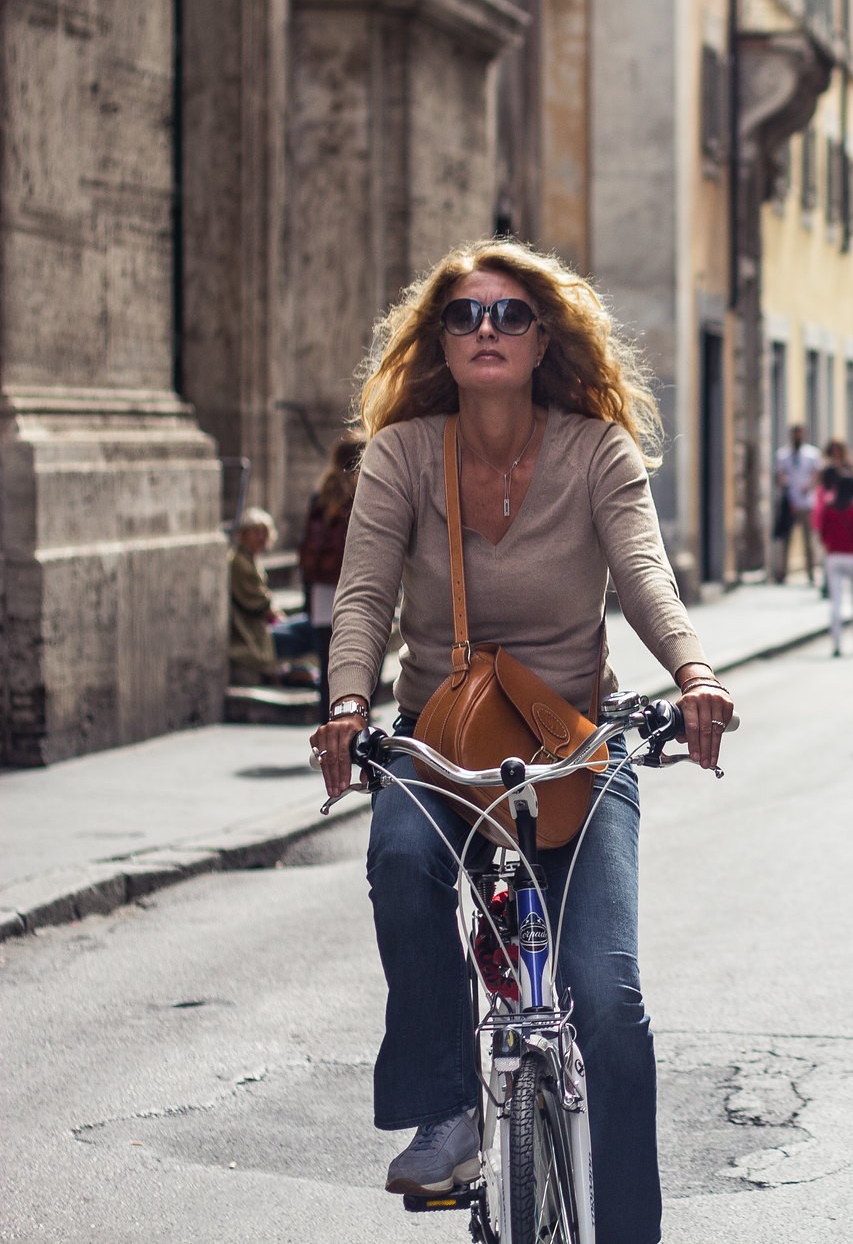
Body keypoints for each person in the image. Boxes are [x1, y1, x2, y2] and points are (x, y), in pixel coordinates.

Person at [308, 237, 736, 1239]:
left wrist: (695, 676)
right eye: (464, 315)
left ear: (543, 338)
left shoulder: (596, 450)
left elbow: (644, 579)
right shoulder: (404, 454)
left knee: (607, 1001)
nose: (485, 329)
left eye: (508, 314)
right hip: (440, 743)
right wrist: (344, 705)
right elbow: (364, 597)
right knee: (400, 861)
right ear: (441, 342)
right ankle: (450, 1108)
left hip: (578, 747)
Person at [298, 432, 366, 711]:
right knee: (359, 663)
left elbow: (306, 543)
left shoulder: (321, 494)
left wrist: (307, 591)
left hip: (322, 589)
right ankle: (358, 726)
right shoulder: (363, 492)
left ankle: (327, 725)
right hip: (354, 587)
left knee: (327, 663)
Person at [817, 468, 853, 657]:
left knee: (836, 602)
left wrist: (829, 545)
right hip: (852, 557)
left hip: (833, 557)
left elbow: (823, 533)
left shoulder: (829, 507)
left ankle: (836, 644)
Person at [229, 507, 285, 685]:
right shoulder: (239, 563)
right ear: (243, 535)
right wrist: (275, 614)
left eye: (264, 533)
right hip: (250, 632)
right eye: (256, 533)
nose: (261, 537)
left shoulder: (250, 559)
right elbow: (260, 603)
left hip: (259, 627)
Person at [773, 424, 823, 584]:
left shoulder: (812, 454)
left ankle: (811, 572)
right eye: (795, 434)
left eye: (800, 434)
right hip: (789, 502)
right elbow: (779, 475)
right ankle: (782, 572)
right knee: (785, 538)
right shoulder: (782, 455)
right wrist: (785, 484)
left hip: (806, 502)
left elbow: (817, 474)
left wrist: (809, 486)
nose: (797, 437)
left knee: (808, 539)